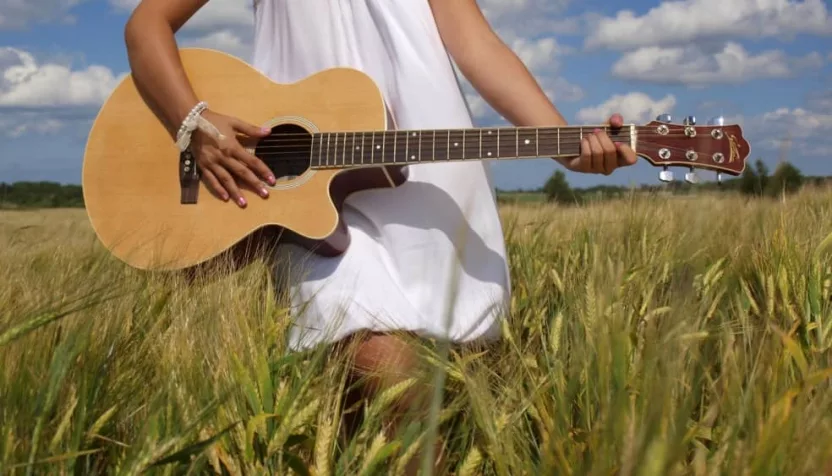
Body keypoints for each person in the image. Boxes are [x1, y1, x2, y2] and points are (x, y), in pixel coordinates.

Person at [124, 0, 637, 470]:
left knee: (425, 406)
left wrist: (565, 143)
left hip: (431, 185)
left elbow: (476, 44)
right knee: (377, 360)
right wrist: (192, 123)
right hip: (301, 187)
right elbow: (146, 25)